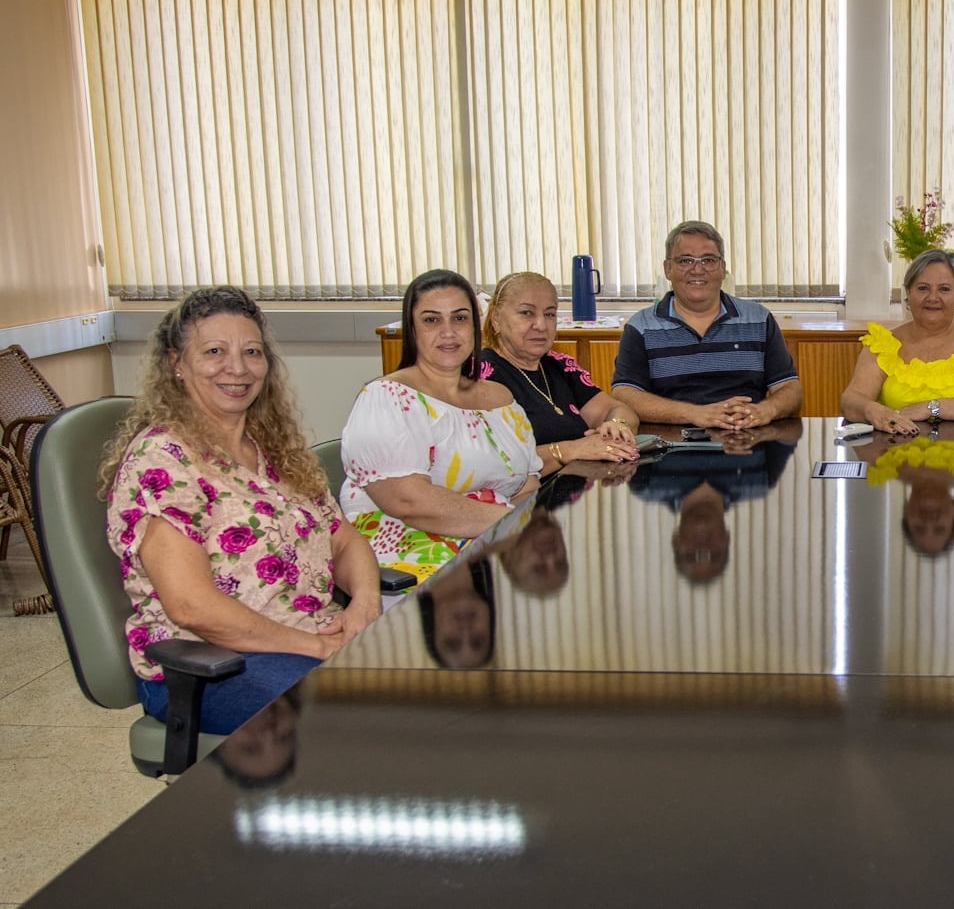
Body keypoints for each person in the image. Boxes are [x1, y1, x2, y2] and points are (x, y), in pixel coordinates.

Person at [101, 287, 383, 735]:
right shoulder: (163, 460)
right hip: (214, 665)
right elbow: (192, 606)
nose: (237, 367)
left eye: (252, 352)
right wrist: (314, 646)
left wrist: (364, 606)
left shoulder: (274, 451)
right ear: (176, 363)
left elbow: (344, 539)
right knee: (366, 725)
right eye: (215, 351)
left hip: (311, 638)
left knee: (440, 694)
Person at [340, 269, 541, 570]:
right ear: (413, 328)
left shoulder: (501, 401)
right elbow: (409, 503)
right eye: (431, 320)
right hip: (411, 556)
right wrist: (516, 525)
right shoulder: (386, 398)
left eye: (459, 318)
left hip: (492, 544)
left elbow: (527, 484)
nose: (448, 332)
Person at [610, 221, 803, 428]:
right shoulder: (641, 327)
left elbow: (790, 388)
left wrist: (765, 411)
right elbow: (625, 394)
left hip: (748, 444)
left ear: (722, 268)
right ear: (668, 269)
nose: (697, 270)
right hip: (670, 450)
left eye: (708, 260)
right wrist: (694, 414)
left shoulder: (758, 319)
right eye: (685, 260)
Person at [477, 270, 640, 473]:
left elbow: (618, 410)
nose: (541, 325)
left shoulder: (560, 365)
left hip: (577, 490)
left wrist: (617, 425)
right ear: (496, 319)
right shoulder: (482, 376)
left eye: (549, 314)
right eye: (526, 313)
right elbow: (492, 463)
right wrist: (568, 450)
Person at [840, 250, 954, 434]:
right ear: (908, 293)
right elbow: (851, 401)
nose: (933, 298)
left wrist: (932, 408)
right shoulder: (883, 344)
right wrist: (874, 411)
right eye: (923, 288)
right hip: (895, 454)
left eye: (944, 289)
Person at [629, 421, 802, 583]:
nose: (702, 547)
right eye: (714, 554)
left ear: (675, 540)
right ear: (727, 539)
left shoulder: (647, 486)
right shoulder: (760, 481)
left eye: (691, 555)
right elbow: (791, 434)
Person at [855, 420, 954, 555]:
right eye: (939, 528)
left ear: (906, 515)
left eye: (919, 528)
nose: (929, 521)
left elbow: (857, 420)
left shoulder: (881, 467)